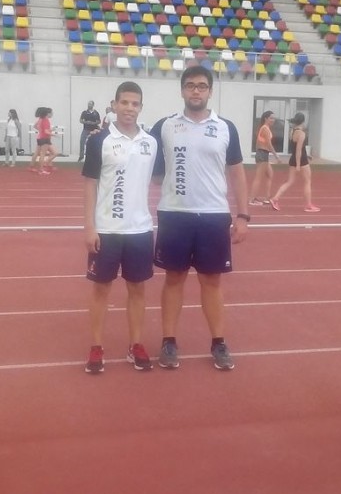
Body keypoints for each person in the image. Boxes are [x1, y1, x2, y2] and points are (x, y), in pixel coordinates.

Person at [150, 64, 249, 371]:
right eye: (190, 85)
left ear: (209, 91)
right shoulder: (164, 126)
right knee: (174, 278)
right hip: (174, 214)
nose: (196, 90)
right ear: (182, 90)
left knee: (211, 281)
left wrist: (243, 214)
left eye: (201, 86)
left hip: (213, 215)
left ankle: (218, 342)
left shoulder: (225, 127)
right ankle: (169, 341)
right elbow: (149, 169)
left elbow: (237, 172)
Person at [82, 81, 157, 374]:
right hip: (106, 230)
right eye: (124, 103)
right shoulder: (98, 140)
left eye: (135, 103)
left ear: (141, 107)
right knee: (101, 290)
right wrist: (89, 227)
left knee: (137, 290)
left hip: (140, 230)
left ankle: (135, 344)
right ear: (114, 105)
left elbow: (161, 179)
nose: (129, 108)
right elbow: (89, 186)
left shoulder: (150, 143)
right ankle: (96, 346)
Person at [269, 112, 320, 212]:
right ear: (303, 121)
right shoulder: (301, 133)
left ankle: (275, 199)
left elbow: (297, 148)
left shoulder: (293, 131)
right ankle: (308, 205)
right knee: (307, 182)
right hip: (301, 160)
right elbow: (298, 150)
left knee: (290, 181)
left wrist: (306, 155)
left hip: (294, 159)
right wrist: (298, 164)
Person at [249, 110, 281, 205]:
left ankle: (267, 197)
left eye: (274, 118)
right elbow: (269, 144)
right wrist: (276, 156)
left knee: (270, 174)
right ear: (266, 118)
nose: (273, 120)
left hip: (263, 154)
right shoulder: (265, 129)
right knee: (258, 177)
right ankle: (251, 200)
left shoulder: (265, 128)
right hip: (262, 154)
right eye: (271, 118)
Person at [29, 107, 58, 175]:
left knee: (39, 153)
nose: (52, 114)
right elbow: (46, 131)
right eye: (51, 113)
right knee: (43, 154)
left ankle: (38, 167)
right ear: (47, 113)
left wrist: (44, 131)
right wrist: (53, 134)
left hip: (40, 138)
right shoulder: (46, 120)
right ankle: (41, 169)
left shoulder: (41, 119)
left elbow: (42, 129)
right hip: (45, 138)